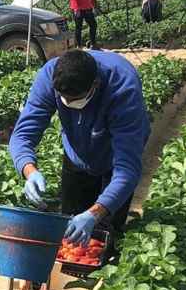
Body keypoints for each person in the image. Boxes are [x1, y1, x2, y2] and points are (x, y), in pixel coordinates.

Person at [9, 49, 150, 246]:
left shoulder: (123, 89)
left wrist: (95, 213)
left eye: (76, 99)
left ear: (95, 85)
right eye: (64, 98)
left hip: (113, 158)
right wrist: (29, 170)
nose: (69, 103)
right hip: (77, 153)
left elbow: (127, 170)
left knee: (106, 233)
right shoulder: (51, 76)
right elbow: (22, 135)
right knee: (68, 232)